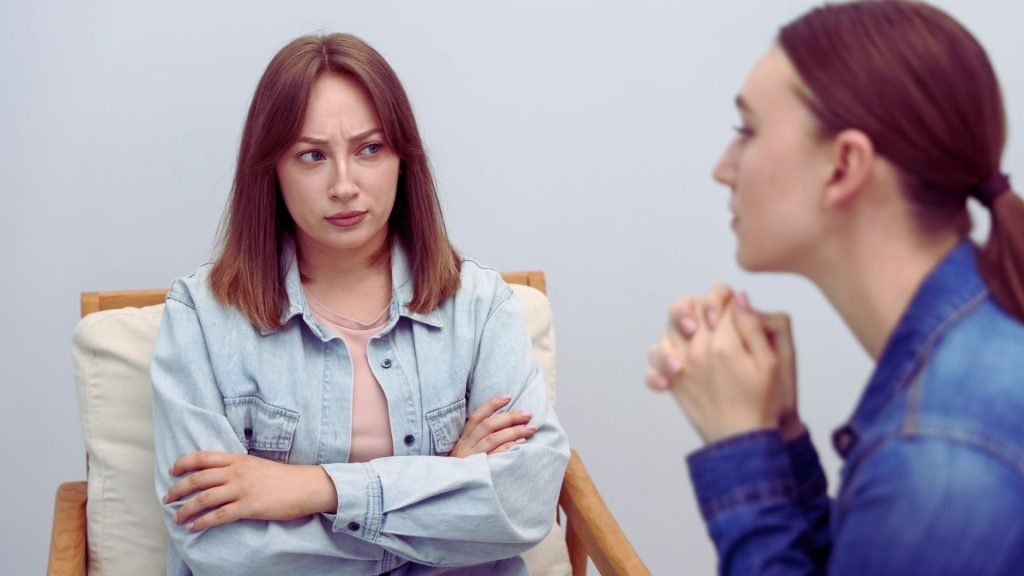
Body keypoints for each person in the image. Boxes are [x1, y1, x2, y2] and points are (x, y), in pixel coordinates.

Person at [150, 33, 569, 576]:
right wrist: (446, 486)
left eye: (369, 149)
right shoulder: (202, 318)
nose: (344, 185)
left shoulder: (481, 305)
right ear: (271, 170)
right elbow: (222, 548)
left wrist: (314, 488)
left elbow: (526, 503)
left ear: (402, 160)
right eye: (312, 156)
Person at [646, 1, 1024, 574]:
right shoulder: (975, 345)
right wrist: (779, 436)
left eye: (747, 130)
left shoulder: (939, 457)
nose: (722, 168)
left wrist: (740, 450)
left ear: (844, 166)